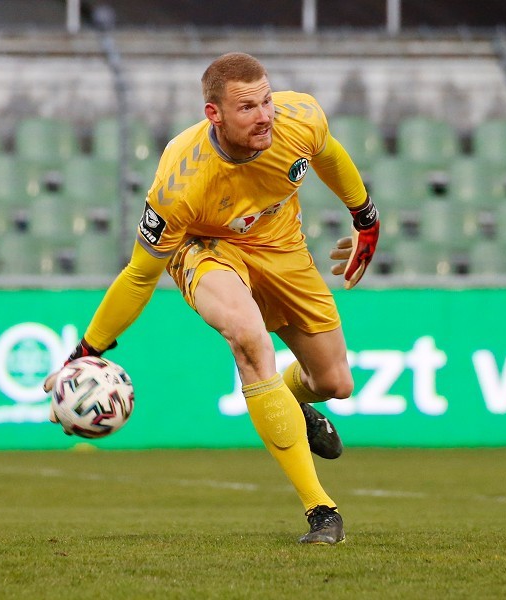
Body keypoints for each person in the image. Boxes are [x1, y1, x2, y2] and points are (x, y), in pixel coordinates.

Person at [43, 52, 380, 545]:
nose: (265, 115)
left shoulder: (301, 118)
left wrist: (365, 217)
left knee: (333, 382)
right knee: (248, 340)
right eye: (247, 108)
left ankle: (289, 400)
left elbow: (327, 154)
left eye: (266, 100)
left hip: (281, 245)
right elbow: (140, 276)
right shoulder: (179, 182)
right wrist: (88, 349)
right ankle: (321, 510)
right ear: (214, 114)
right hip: (206, 249)